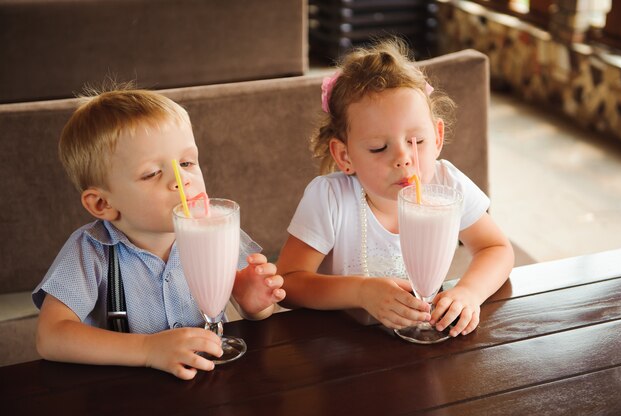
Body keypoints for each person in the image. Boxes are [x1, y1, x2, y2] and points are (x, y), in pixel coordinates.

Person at [33, 86, 286, 380]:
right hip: (126, 391)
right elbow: (50, 337)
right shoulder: (91, 251)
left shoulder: (218, 227)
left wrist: (253, 305)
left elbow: (258, 314)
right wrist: (147, 349)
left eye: (187, 163)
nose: (182, 181)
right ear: (103, 203)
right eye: (152, 173)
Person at [277, 38, 514, 336]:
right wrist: (361, 291)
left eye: (418, 142)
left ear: (438, 137)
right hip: (343, 346)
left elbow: (496, 248)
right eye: (378, 148)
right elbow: (288, 282)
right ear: (344, 156)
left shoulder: (448, 185)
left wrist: (469, 292)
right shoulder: (329, 198)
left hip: (423, 335)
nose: (403, 159)